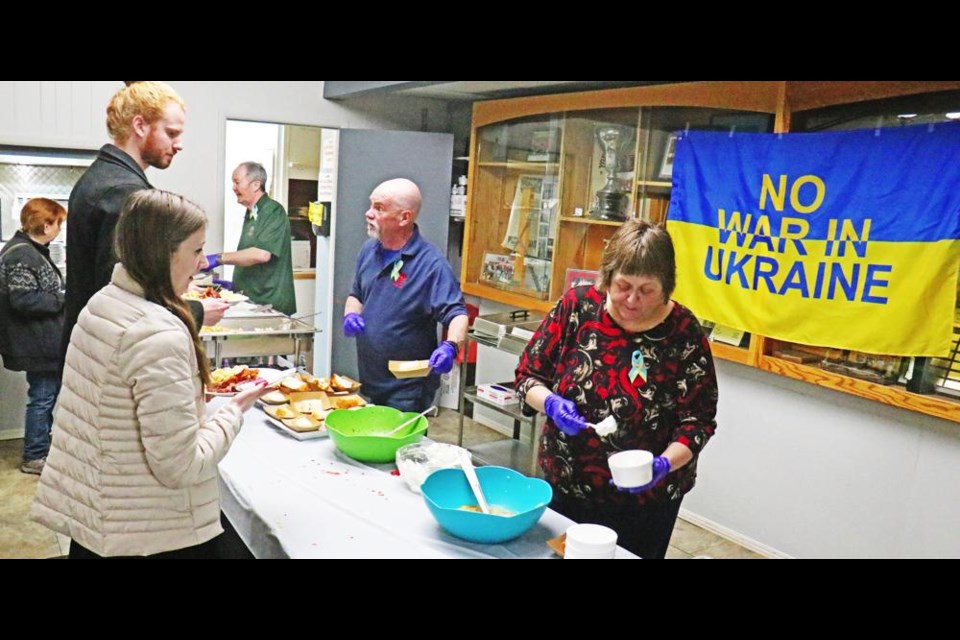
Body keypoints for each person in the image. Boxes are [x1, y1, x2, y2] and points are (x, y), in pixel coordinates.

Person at [31, 189, 269, 559]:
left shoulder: (103, 302)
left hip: (101, 516)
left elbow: (116, 404)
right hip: (148, 533)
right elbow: (181, 465)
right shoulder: (158, 332)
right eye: (195, 251)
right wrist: (232, 412)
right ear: (163, 253)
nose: (200, 264)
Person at [515, 220, 719, 559]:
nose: (633, 300)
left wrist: (664, 465)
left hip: (646, 503)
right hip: (568, 485)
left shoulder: (683, 333)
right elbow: (527, 376)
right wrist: (550, 403)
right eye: (623, 285)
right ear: (607, 277)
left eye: (647, 290)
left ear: (666, 287)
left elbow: (698, 422)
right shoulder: (577, 308)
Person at [62, 80, 228, 369]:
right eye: (171, 133)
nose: (179, 144)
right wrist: (195, 311)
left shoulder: (106, 176)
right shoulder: (123, 193)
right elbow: (123, 299)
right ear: (140, 126)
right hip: (107, 359)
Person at [343, 178, 468, 412]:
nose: (368, 213)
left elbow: (457, 314)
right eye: (370, 205)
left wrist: (450, 346)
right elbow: (356, 294)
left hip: (408, 387)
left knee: (401, 447)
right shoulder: (369, 250)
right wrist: (351, 314)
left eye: (379, 208)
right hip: (372, 378)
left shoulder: (432, 264)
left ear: (404, 218)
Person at [0, 199, 67, 475]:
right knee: (41, 397)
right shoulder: (22, 254)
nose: (60, 229)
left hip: (42, 340)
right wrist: (64, 299)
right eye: (58, 223)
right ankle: (34, 456)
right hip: (37, 342)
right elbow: (24, 300)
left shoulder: (34, 251)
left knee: (45, 396)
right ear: (45, 223)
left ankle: (40, 448)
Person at [202, 162, 296, 315]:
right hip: (253, 300)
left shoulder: (273, 211)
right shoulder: (252, 213)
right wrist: (236, 285)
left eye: (237, 182)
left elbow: (262, 254)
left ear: (256, 185)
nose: (233, 187)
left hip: (270, 305)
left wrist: (218, 258)